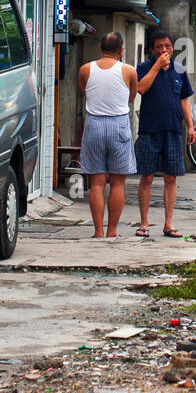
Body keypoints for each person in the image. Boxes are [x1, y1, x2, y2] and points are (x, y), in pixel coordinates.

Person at [135, 28, 195, 238]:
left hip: (172, 129)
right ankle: (144, 223)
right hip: (149, 129)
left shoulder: (179, 70)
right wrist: (157, 67)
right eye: (159, 47)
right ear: (152, 50)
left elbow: (184, 99)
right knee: (147, 177)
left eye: (167, 46)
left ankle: (168, 224)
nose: (164, 50)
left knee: (171, 178)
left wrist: (190, 125)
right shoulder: (143, 68)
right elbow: (140, 88)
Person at [77, 31, 137, 238]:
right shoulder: (129, 70)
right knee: (118, 182)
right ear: (121, 50)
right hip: (119, 123)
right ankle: (112, 231)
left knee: (96, 182)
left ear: (101, 48)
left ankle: (98, 231)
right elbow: (131, 96)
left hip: (94, 123)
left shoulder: (86, 69)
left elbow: (85, 92)